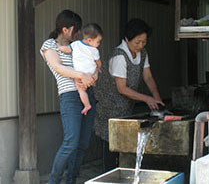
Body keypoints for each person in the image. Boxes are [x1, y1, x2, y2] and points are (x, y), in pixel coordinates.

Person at [94, 18, 164, 172]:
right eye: (137, 42)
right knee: (111, 144)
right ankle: (109, 177)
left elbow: (148, 77)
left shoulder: (143, 53)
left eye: (144, 42)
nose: (140, 46)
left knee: (123, 145)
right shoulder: (119, 56)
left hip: (125, 106)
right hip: (109, 106)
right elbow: (122, 88)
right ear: (127, 39)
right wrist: (147, 98)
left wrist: (156, 97)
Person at [40, 10, 97, 184]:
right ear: (65, 29)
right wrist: (81, 75)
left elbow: (93, 63)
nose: (78, 33)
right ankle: (54, 181)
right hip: (69, 96)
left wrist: (93, 75)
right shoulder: (49, 45)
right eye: (76, 29)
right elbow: (58, 67)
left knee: (83, 144)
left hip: (88, 94)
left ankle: (71, 180)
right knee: (71, 142)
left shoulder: (79, 45)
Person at [57, 23, 103, 115]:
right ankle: (88, 103)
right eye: (98, 42)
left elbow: (66, 50)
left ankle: (87, 105)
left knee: (81, 90)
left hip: (80, 74)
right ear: (89, 40)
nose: (98, 44)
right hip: (91, 73)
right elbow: (98, 62)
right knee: (88, 86)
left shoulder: (76, 44)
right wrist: (99, 68)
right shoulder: (94, 50)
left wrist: (59, 47)